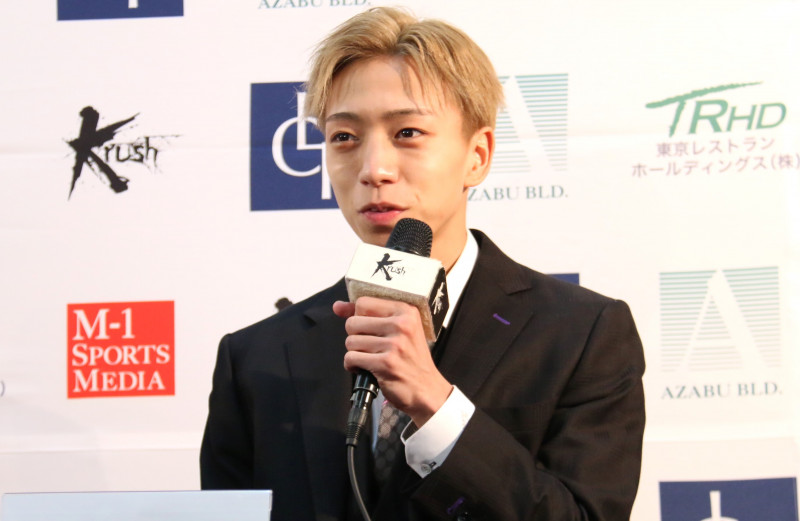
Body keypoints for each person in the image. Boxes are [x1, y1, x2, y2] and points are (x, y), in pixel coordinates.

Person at [200, 7, 645, 521]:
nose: (374, 169)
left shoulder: (581, 334)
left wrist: (437, 405)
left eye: (407, 132)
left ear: (477, 156)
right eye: (344, 137)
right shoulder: (256, 358)